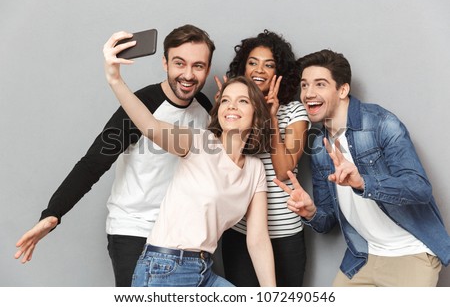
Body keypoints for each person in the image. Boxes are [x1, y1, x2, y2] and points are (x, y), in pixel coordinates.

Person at [14, 24, 215, 287]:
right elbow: (94, 162)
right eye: (180, 63)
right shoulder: (142, 105)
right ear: (165, 63)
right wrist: (53, 213)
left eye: (198, 66)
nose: (188, 75)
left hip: (179, 237)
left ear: (207, 70)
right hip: (134, 231)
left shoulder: (206, 109)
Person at [104, 30, 276, 286]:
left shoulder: (254, 169)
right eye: (226, 100)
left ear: (256, 115)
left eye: (242, 101)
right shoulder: (199, 142)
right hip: (164, 268)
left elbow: (258, 239)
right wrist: (115, 79)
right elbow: (150, 125)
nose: (231, 106)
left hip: (203, 269)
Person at [274, 49, 450, 286]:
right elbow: (327, 222)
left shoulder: (381, 123)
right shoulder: (319, 146)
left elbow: (419, 188)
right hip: (364, 256)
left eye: (320, 84)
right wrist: (311, 213)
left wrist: (363, 183)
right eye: (304, 85)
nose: (308, 93)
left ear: (343, 90)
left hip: (411, 253)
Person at [216, 30, 309, 286]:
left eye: (269, 65)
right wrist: (222, 119)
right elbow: (218, 171)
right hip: (240, 232)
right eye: (253, 62)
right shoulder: (235, 110)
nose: (260, 70)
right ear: (243, 68)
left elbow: (284, 171)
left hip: (284, 234)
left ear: (279, 72)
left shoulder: (294, 111)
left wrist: (271, 118)